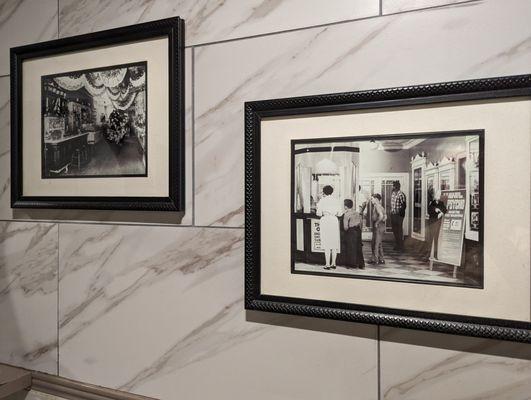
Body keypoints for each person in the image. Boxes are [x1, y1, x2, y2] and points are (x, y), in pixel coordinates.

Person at [316, 185, 341, 270]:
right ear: (332, 191)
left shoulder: (322, 201)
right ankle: (334, 263)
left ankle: (327, 264)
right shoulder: (336, 200)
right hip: (334, 220)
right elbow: (340, 213)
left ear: (324, 192)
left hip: (325, 220)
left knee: (327, 242)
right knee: (334, 242)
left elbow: (318, 213)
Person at [423, 189, 447, 262]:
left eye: (439, 195)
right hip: (432, 223)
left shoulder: (441, 203)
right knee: (430, 239)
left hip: (437, 223)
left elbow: (445, 209)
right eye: (437, 195)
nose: (439, 196)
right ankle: (428, 255)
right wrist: (435, 210)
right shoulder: (432, 202)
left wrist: (441, 213)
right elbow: (429, 210)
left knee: (436, 239)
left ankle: (435, 255)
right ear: (434, 195)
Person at [342, 199, 365, 269]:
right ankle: (361, 264)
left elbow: (345, 227)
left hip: (351, 231)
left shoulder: (346, 214)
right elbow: (361, 223)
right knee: (358, 247)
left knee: (350, 247)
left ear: (345, 206)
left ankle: (352, 264)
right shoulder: (356, 213)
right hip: (358, 230)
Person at [368, 193, 386, 265]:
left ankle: (375, 260)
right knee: (379, 243)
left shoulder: (377, 206)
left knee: (375, 243)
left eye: (372, 199)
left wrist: (377, 223)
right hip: (380, 226)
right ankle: (381, 259)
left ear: (376, 199)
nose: (371, 200)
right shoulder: (380, 206)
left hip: (378, 226)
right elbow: (385, 217)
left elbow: (381, 216)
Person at [390, 181, 407, 252]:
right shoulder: (393, 194)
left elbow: (404, 206)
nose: (392, 187)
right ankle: (397, 244)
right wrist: (391, 211)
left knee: (399, 230)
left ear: (396, 187)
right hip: (393, 214)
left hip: (399, 215)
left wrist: (398, 212)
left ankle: (401, 246)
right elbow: (392, 204)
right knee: (395, 230)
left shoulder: (401, 194)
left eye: (393, 186)